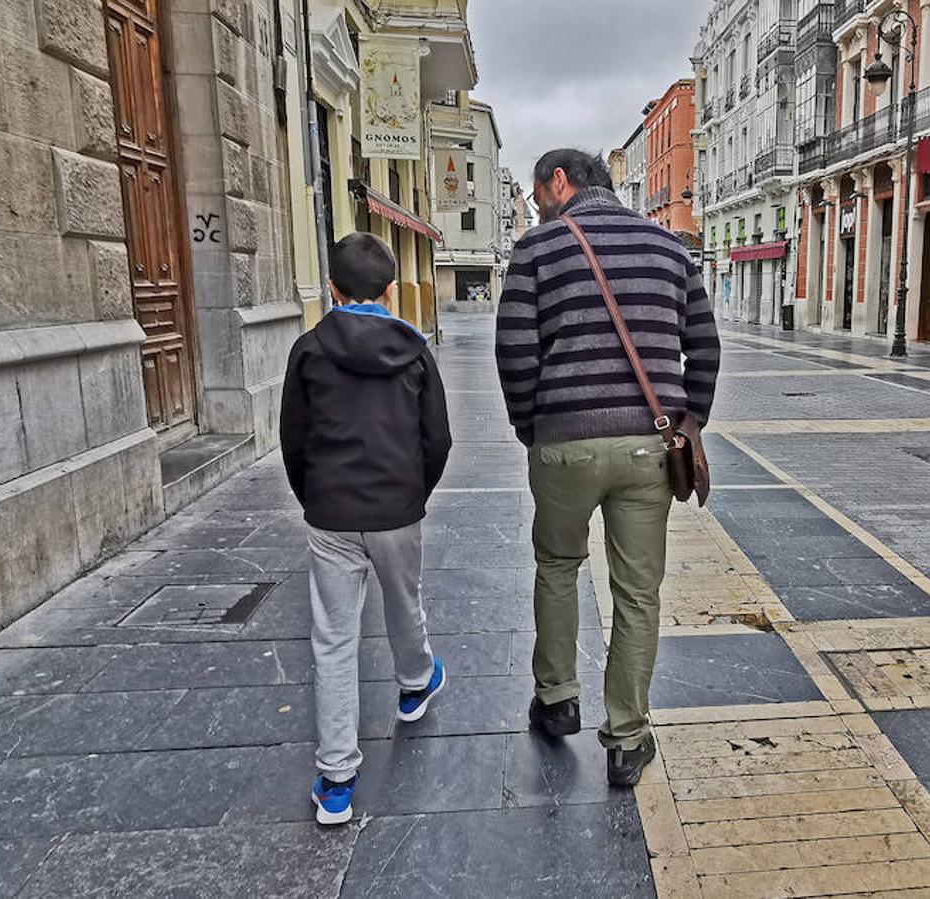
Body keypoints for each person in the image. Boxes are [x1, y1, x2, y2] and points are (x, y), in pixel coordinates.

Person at [496, 149, 721, 786]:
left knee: (558, 567)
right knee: (638, 592)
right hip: (651, 445)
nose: (538, 204)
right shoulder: (671, 248)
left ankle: (558, 699)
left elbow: (514, 351)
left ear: (559, 182)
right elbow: (703, 345)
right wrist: (690, 420)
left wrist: (531, 428)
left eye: (540, 192)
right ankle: (627, 738)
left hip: (563, 442)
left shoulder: (537, 250)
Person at [281, 233, 454, 824]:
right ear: (388, 290)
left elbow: (293, 440)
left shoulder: (307, 349)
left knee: (333, 640)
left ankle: (336, 780)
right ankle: (414, 683)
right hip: (396, 508)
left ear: (331, 288)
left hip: (331, 512)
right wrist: (413, 496)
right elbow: (438, 439)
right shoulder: (415, 351)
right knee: (405, 603)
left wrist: (315, 500)